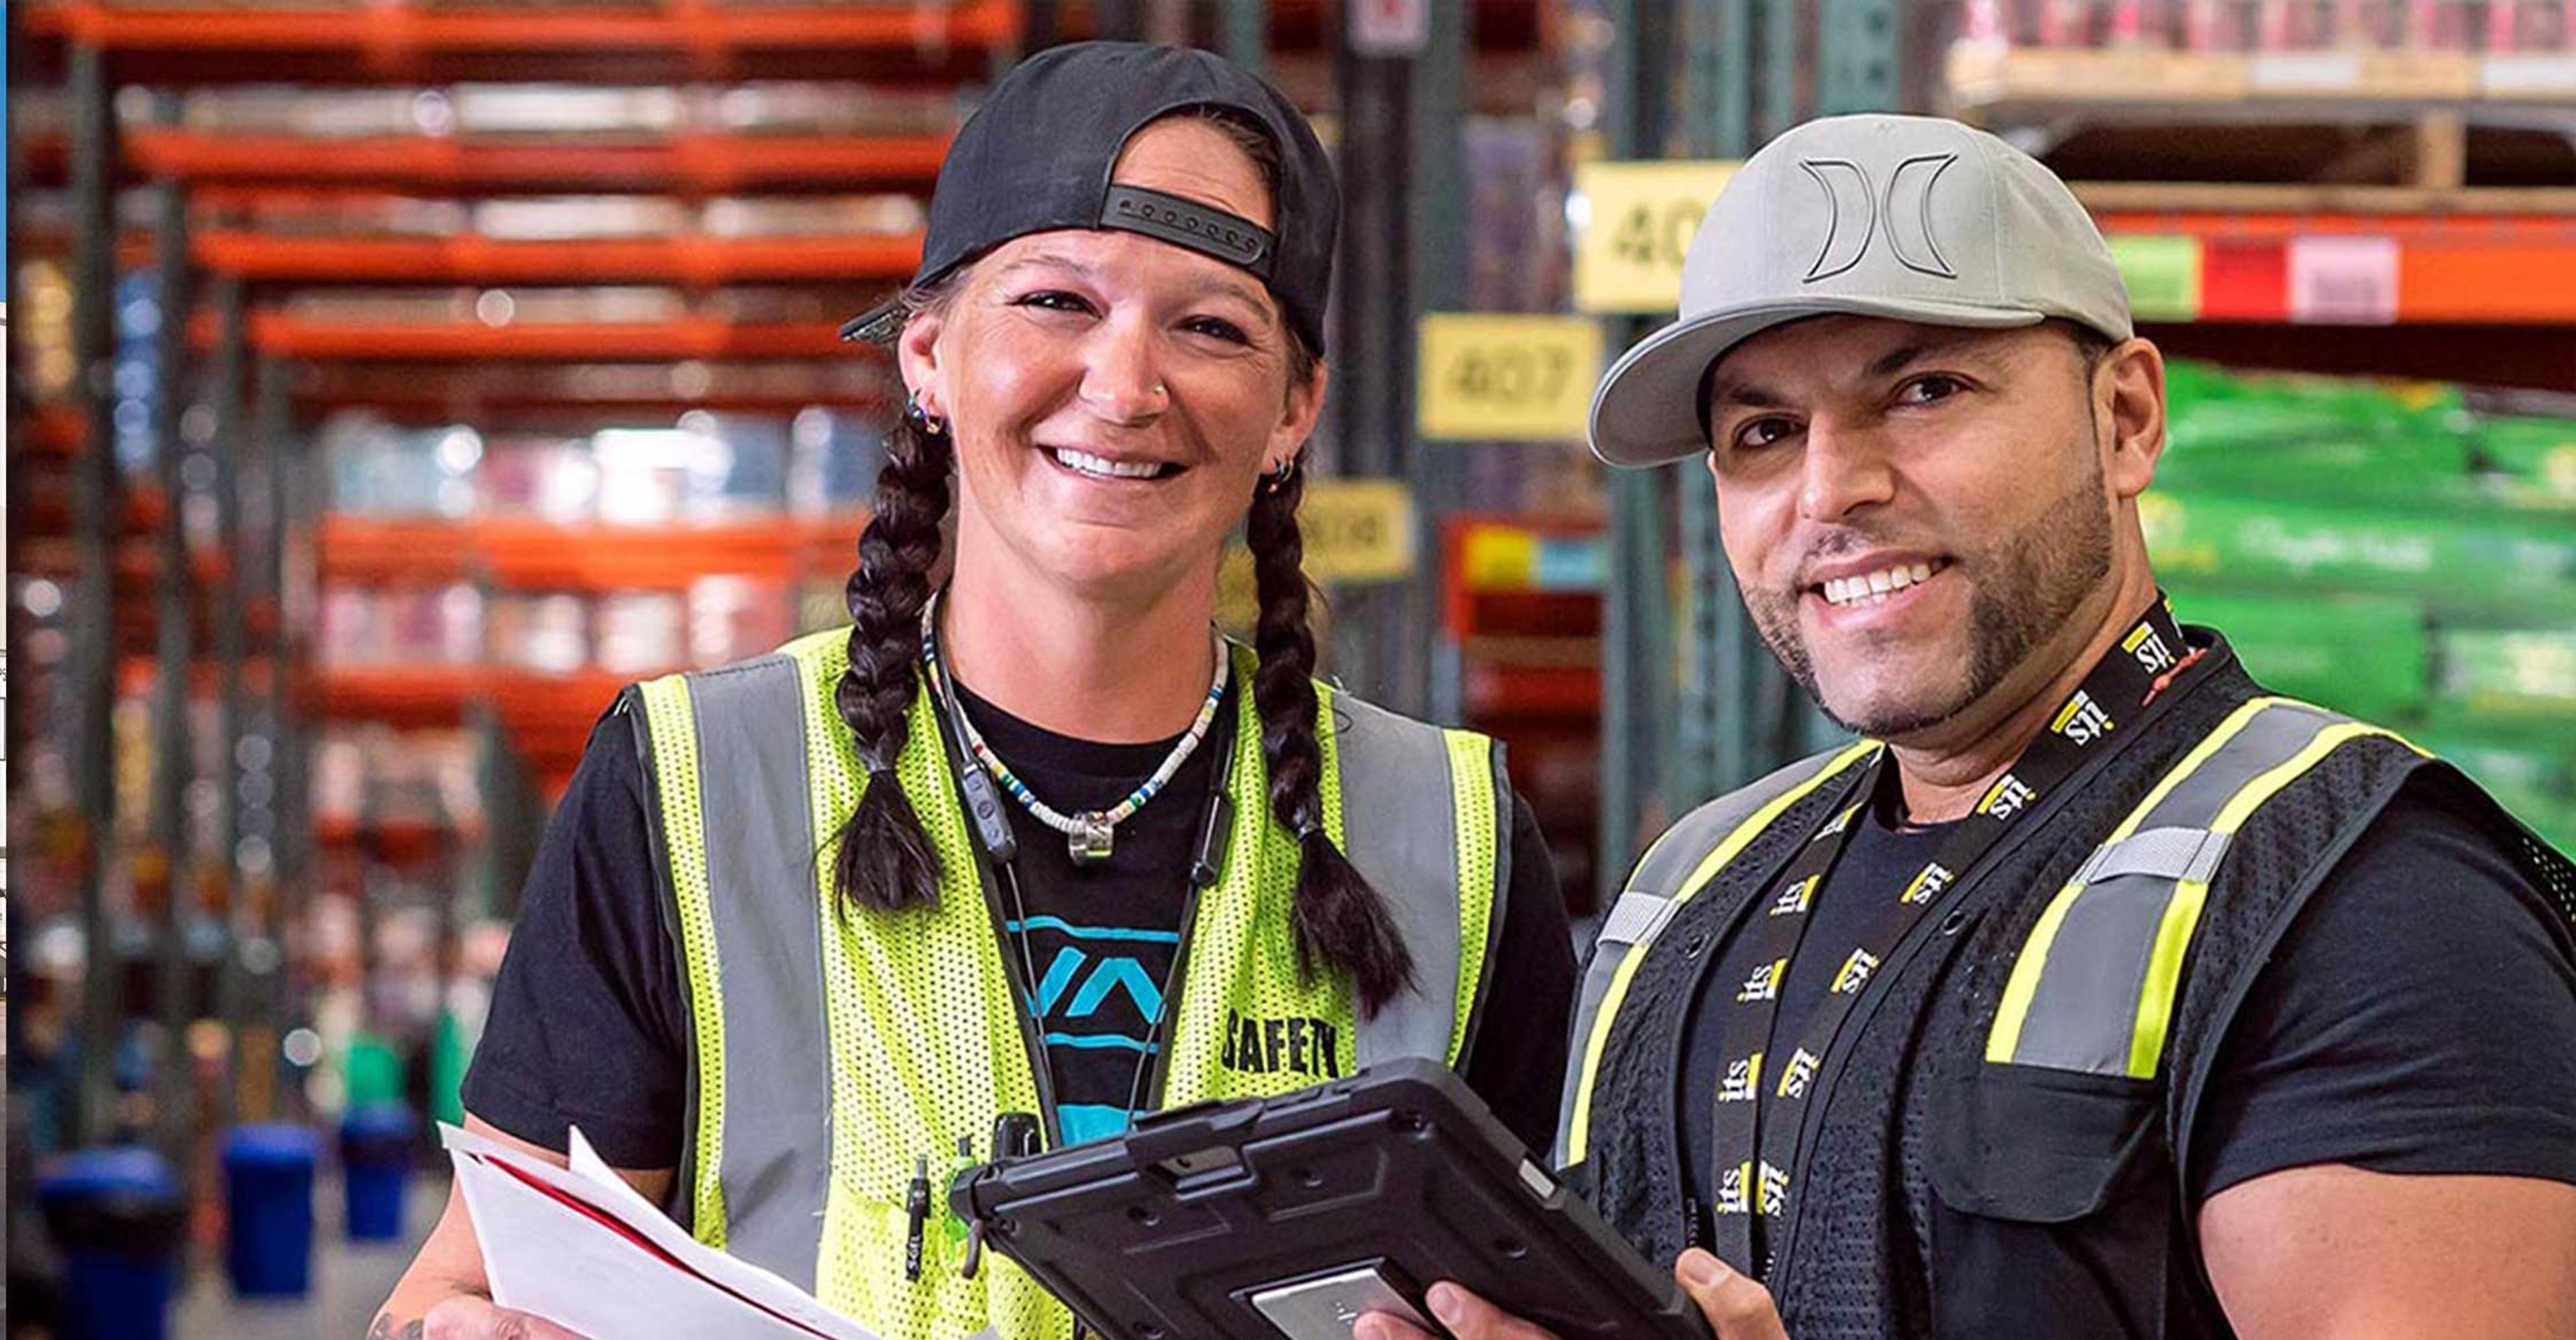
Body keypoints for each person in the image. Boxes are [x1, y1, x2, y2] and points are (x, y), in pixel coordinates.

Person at [376, 42, 1575, 1340]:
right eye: (1058, 303)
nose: (1123, 388)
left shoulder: (1446, 834)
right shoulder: (694, 784)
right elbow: (458, 1286)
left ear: (1295, 407)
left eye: (1211, 325)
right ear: (932, 355)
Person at [1363, 113, 2576, 1340]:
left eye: (1926, 389)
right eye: (1763, 433)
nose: (1831, 489)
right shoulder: (1684, 892)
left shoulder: (2364, 898)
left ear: (2126, 421)